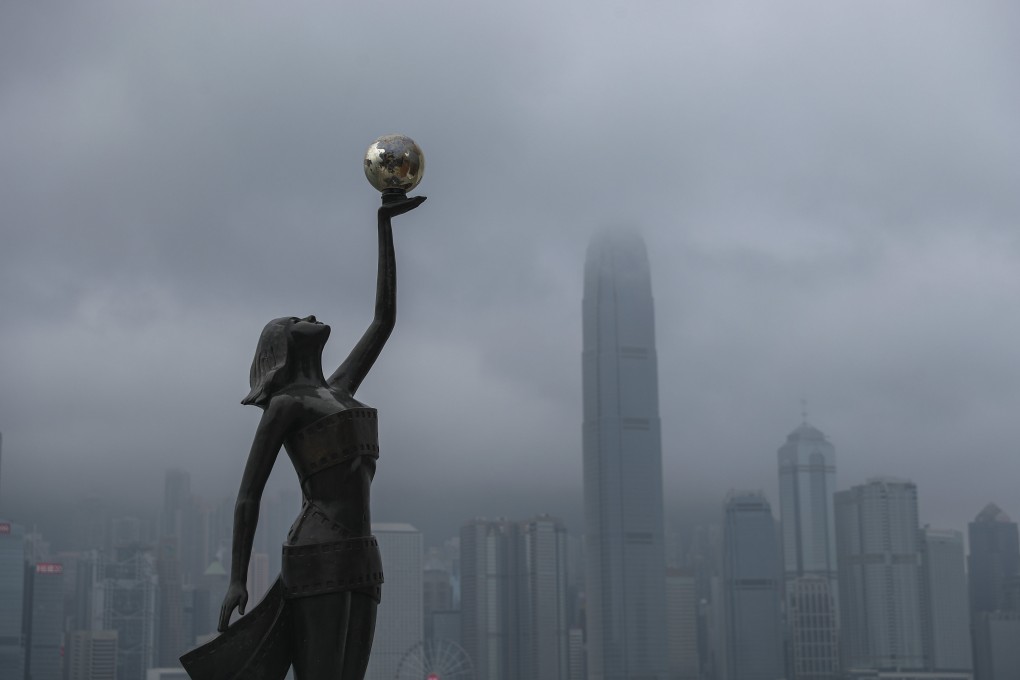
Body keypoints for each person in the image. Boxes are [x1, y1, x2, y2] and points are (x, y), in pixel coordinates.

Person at [180, 194, 426, 680]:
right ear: (284, 345)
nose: (310, 315)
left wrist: (384, 225)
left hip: (361, 552)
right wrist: (236, 579)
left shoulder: (340, 388)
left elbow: (385, 318)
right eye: (297, 319)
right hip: (317, 552)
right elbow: (248, 495)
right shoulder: (286, 405)